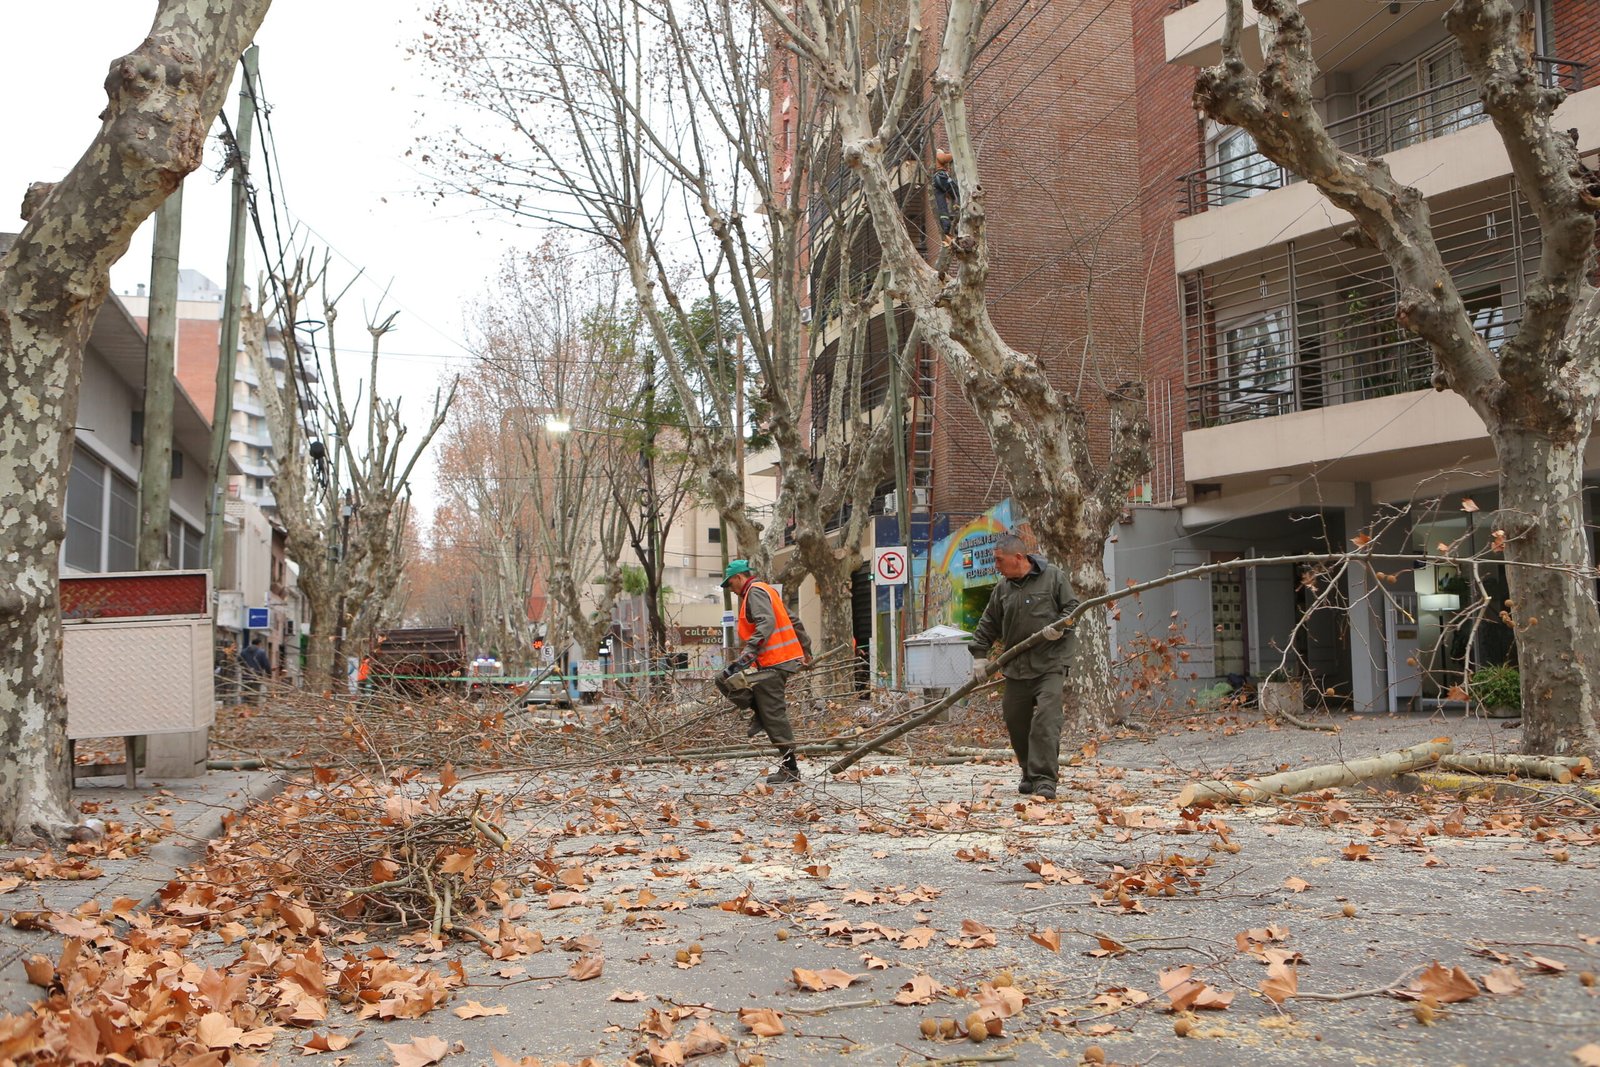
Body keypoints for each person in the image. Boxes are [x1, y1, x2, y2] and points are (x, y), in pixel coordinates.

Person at [969, 534, 1080, 799]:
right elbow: (989, 622)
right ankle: (1028, 772)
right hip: (1016, 666)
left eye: (999, 560)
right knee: (1015, 719)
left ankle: (1044, 780)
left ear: (1018, 558)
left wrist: (1061, 628)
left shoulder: (1053, 577)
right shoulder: (1003, 588)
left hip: (1050, 663)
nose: (996, 565)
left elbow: (1073, 610)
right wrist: (979, 655)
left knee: (1046, 720)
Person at [715, 559, 813, 785]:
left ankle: (790, 769)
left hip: (774, 663)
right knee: (729, 683)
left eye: (730, 584)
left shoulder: (754, 593)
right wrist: (806, 649)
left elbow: (765, 623)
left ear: (739, 577)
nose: (731, 590)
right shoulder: (766, 590)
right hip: (778, 662)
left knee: (773, 713)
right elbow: (794, 620)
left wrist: (748, 653)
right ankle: (759, 711)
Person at [241, 636, 272, 705]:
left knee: (247, 694)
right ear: (259, 644)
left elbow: (239, 662)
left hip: (246, 676)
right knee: (255, 694)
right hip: (256, 677)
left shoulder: (243, 652)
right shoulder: (261, 652)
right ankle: (253, 709)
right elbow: (266, 664)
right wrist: (269, 675)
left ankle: (246, 708)